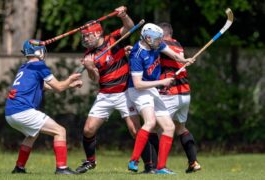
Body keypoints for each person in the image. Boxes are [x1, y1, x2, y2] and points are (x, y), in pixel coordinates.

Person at [76, 6, 158, 174]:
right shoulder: (88, 56)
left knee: (135, 130)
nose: (85, 39)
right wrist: (91, 68)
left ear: (97, 33)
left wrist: (124, 15)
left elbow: (129, 27)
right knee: (88, 129)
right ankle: (90, 161)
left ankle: (150, 166)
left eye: (87, 36)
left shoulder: (113, 39)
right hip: (105, 95)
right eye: (83, 36)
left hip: (125, 93)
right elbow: (95, 79)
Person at [5, 39, 82, 175]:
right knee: (60, 131)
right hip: (23, 110)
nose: (43, 52)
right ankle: (62, 168)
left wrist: (68, 85)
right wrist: (69, 80)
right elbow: (58, 87)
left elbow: (43, 86)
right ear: (37, 51)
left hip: (10, 113)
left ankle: (19, 168)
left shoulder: (25, 67)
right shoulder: (39, 65)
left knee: (32, 135)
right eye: (41, 49)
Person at [127, 23, 194, 174]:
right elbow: (138, 84)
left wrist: (184, 61)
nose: (160, 42)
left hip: (151, 88)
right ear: (148, 38)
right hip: (138, 90)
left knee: (169, 127)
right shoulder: (137, 55)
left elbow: (174, 55)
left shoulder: (156, 44)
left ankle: (161, 167)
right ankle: (134, 160)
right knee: (150, 122)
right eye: (158, 39)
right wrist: (162, 82)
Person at [158, 22, 201, 173]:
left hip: (170, 92)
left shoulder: (161, 44)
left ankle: (154, 166)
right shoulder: (177, 43)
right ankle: (193, 162)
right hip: (185, 92)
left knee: (151, 126)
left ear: (161, 34)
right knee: (180, 128)